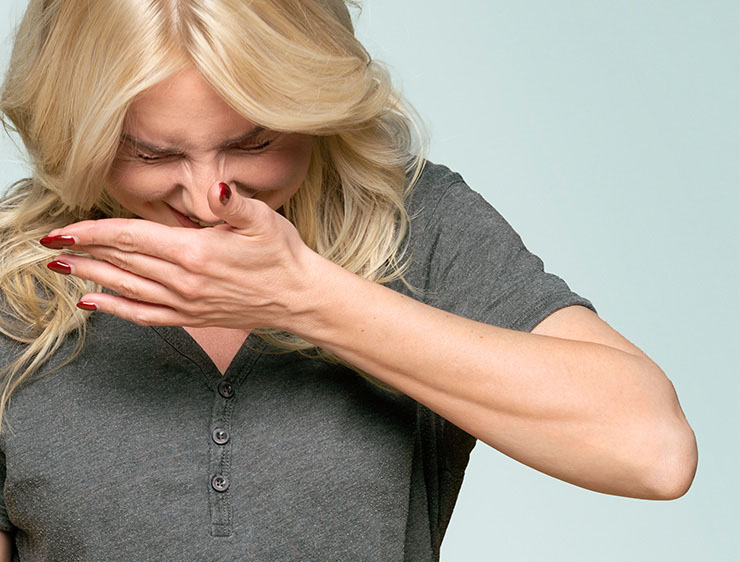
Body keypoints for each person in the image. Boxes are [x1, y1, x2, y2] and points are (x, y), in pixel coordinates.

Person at [0, 1, 697, 560]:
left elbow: (653, 453)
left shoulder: (417, 225)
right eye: (150, 153)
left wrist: (304, 296)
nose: (205, 193)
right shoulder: (14, 283)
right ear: (76, 133)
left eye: (253, 143)